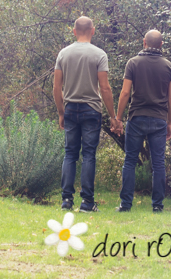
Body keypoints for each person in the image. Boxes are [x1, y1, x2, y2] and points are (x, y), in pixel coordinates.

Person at [53, 15, 118, 212]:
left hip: (71, 108)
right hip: (92, 110)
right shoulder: (99, 55)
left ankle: (66, 200)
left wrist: (61, 112)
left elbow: (57, 87)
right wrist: (113, 116)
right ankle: (87, 203)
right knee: (89, 154)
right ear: (93, 30)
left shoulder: (63, 54)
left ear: (74, 31)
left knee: (70, 154)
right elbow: (105, 88)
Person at [114, 29, 171, 213]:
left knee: (130, 161)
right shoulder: (169, 66)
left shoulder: (133, 63)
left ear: (144, 43)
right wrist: (169, 122)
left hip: (137, 118)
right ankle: (157, 205)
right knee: (158, 164)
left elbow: (125, 92)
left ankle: (125, 205)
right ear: (161, 44)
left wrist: (118, 118)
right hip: (159, 120)